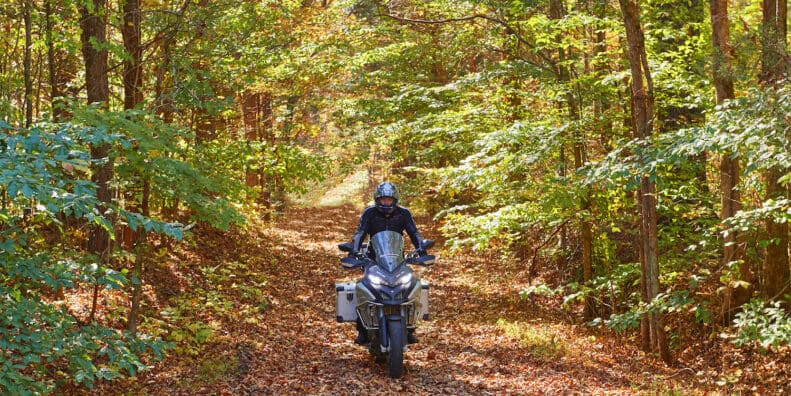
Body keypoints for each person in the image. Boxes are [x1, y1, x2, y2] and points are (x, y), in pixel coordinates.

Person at [350, 181, 425, 345]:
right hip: (372, 259)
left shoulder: (403, 213)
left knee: (409, 287)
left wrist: (421, 247)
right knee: (365, 290)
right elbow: (360, 232)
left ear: (395, 199)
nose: (386, 202)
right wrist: (354, 250)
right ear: (377, 199)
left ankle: (410, 328)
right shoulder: (369, 213)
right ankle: (362, 329)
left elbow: (413, 232)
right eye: (383, 199)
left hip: (396, 259)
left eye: (389, 200)